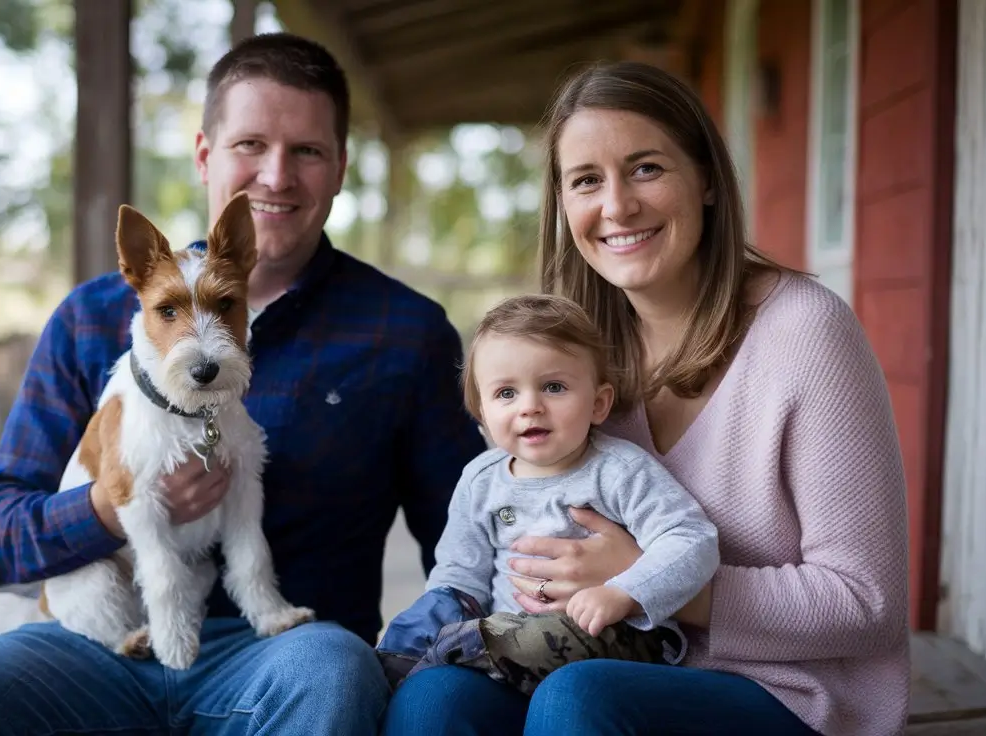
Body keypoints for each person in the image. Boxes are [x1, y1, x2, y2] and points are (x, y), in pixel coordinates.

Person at [0, 33, 487, 736]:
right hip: (94, 644)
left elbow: (462, 537)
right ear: (206, 155)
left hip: (282, 653)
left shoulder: (403, 334)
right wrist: (111, 511)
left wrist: (417, 657)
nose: (276, 176)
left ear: (341, 167)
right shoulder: (90, 319)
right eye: (250, 145)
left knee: (333, 670)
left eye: (308, 152)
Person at [383, 61, 910, 736]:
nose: (617, 206)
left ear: (708, 179)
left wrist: (648, 579)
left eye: (647, 168)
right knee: (434, 700)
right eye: (586, 181)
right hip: (598, 660)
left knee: (579, 701)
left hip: (788, 695)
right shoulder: (574, 360)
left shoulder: (805, 333)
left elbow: (867, 604)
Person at [376, 293, 718, 696]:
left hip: (613, 636)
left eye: (553, 387)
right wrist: (429, 618)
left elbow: (692, 539)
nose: (530, 407)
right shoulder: (480, 479)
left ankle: (458, 653)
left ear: (598, 403)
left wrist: (624, 592)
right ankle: (388, 670)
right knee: (424, 619)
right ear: (481, 414)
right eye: (506, 393)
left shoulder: (618, 471)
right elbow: (459, 573)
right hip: (503, 632)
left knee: (520, 639)